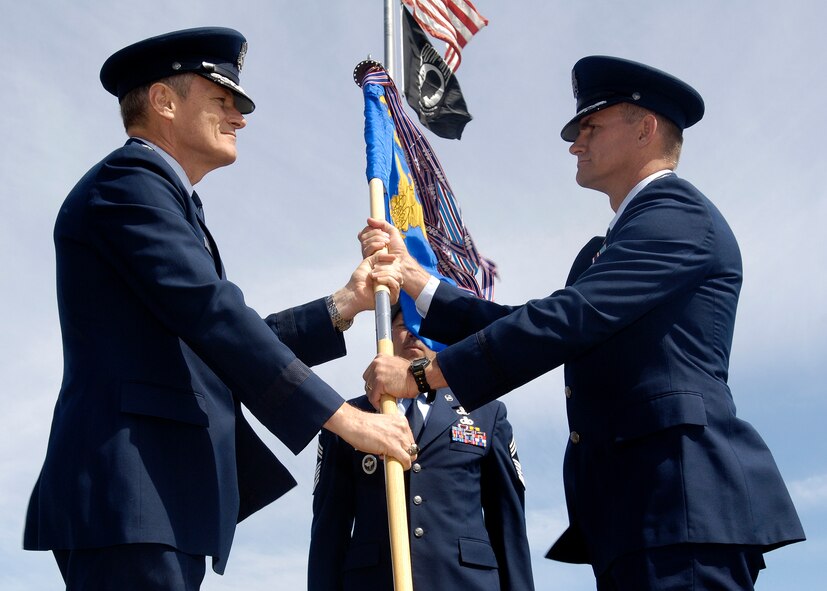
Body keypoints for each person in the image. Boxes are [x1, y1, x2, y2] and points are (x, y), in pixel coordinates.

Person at [361, 55, 805, 590]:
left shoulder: (678, 215)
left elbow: (566, 321)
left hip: (680, 507)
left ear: (645, 129)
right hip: (635, 515)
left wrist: (425, 374)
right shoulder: (610, 248)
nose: (576, 142)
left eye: (590, 126)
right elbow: (532, 322)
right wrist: (415, 280)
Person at [22, 27, 415, 590]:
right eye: (222, 100)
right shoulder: (129, 184)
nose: (240, 118)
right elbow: (213, 315)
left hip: (157, 498)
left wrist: (343, 305)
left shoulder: (164, 196)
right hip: (133, 490)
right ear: (163, 101)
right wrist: (346, 420)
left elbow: (212, 338)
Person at [308, 306, 535, 590]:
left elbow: (509, 527)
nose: (415, 333)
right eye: (404, 325)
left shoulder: (486, 414)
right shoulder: (350, 417)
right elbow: (329, 532)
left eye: (426, 325)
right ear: (387, 335)